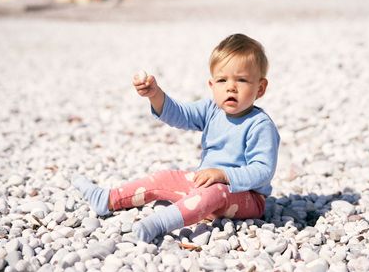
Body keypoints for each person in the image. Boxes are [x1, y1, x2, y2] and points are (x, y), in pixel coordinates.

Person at [72, 34, 281, 243]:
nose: (230, 87)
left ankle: (160, 223)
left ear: (260, 88)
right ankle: (108, 199)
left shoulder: (259, 125)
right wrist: (155, 94)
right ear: (212, 85)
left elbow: (262, 170)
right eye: (222, 80)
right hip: (206, 184)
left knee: (215, 193)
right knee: (165, 178)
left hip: (246, 197)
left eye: (242, 80)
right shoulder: (211, 110)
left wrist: (224, 175)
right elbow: (180, 114)